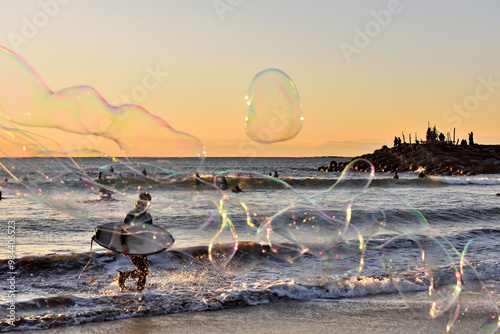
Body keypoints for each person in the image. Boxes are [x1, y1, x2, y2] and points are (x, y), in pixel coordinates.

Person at [118, 192, 153, 291]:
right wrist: (123, 244)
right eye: (142, 202)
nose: (144, 205)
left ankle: (140, 291)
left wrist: (151, 246)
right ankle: (138, 291)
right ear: (138, 201)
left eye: (147, 203)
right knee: (144, 270)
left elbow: (150, 232)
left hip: (142, 247)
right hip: (131, 245)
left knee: (144, 270)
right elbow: (123, 229)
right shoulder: (131, 214)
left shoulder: (148, 216)